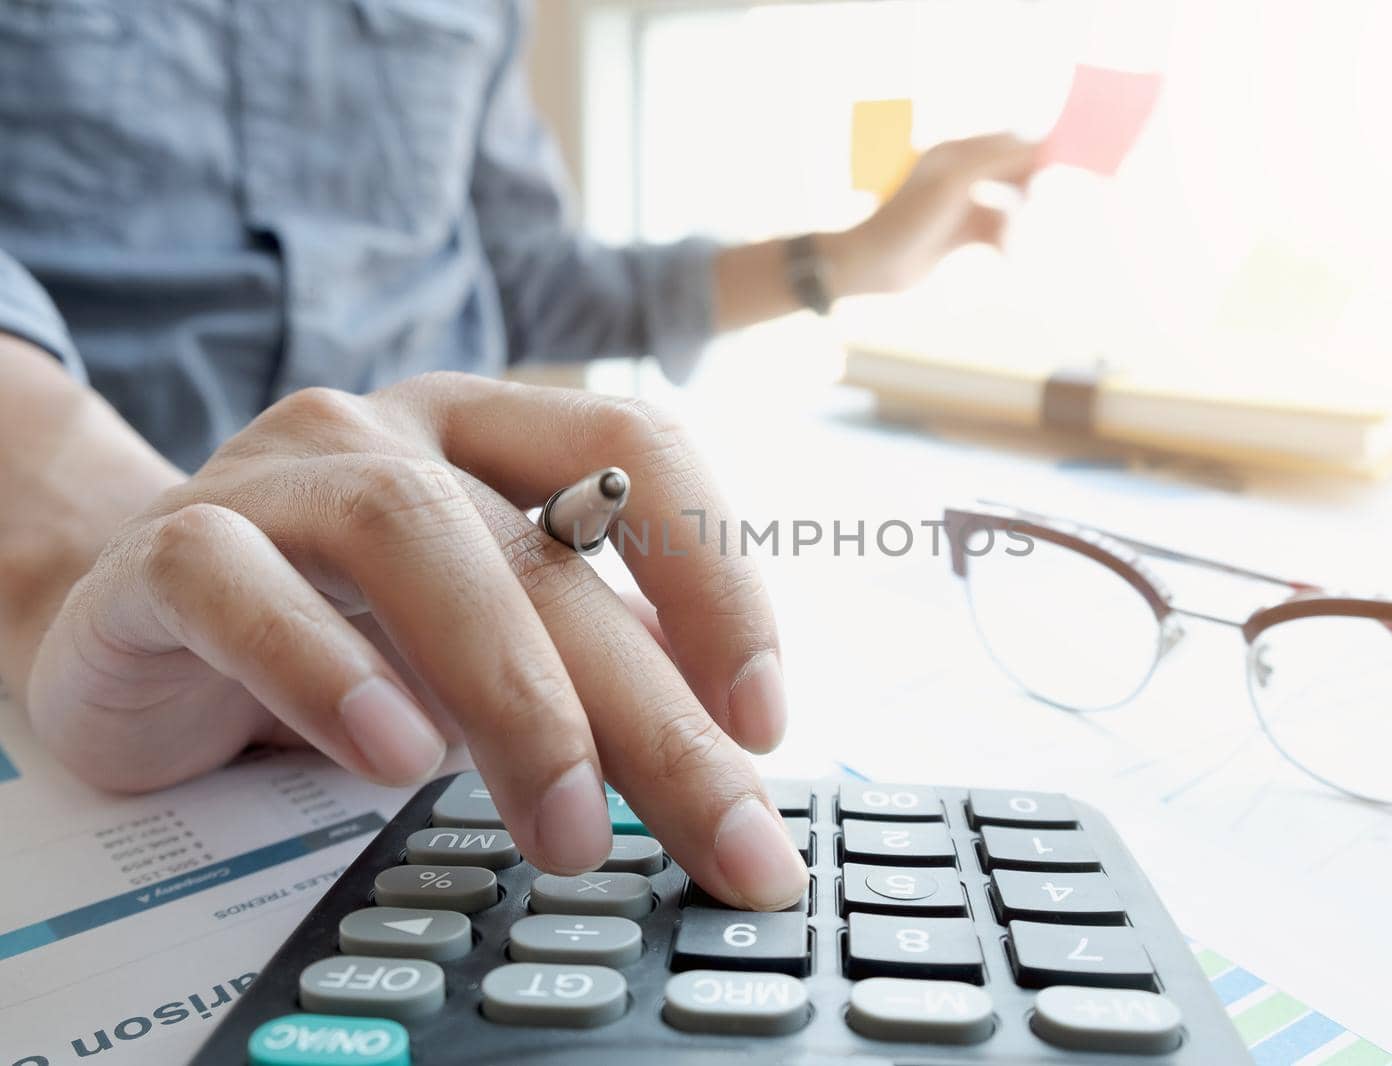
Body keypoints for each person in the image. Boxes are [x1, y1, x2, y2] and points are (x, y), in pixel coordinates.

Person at [0, 0, 1034, 911]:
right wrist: (87, 553)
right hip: (118, 601)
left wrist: (843, 260)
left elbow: (533, 275)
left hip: (472, 583)